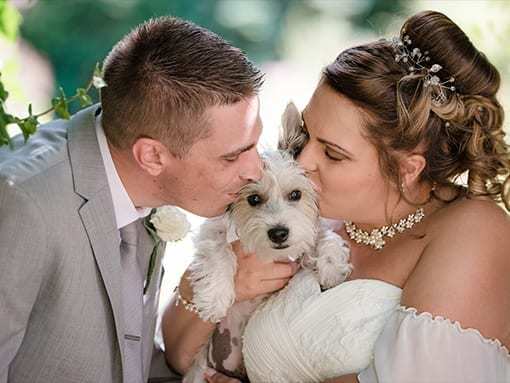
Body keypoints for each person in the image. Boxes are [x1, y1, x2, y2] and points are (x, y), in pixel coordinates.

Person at [164, 10, 510, 383]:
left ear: (408, 169)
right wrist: (225, 280)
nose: (304, 160)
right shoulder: (306, 210)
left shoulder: (474, 228)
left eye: (332, 153)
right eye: (306, 134)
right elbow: (179, 355)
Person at [0, 16, 299, 383]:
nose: (256, 170)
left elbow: (122, 359)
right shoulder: (25, 205)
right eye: (232, 155)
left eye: (255, 143)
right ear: (153, 157)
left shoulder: (132, 172)